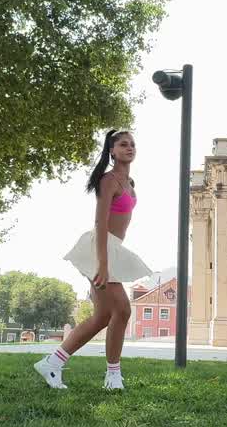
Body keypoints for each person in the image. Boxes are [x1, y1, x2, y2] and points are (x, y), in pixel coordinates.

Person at [34, 130, 152, 391]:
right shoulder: (107, 180)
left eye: (133, 144)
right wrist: (102, 264)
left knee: (101, 317)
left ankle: (52, 363)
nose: (129, 148)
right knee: (122, 310)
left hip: (113, 247)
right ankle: (113, 376)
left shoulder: (130, 183)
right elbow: (100, 223)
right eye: (123, 144)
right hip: (99, 248)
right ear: (112, 150)